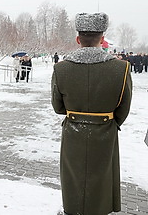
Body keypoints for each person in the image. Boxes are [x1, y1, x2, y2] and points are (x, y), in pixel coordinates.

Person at [51, 12, 132, 215]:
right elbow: (124, 107)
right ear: (102, 39)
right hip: (106, 132)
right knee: (102, 179)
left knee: (73, 179)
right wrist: (109, 122)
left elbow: (58, 107)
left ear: (78, 39)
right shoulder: (121, 69)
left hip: (73, 132)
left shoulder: (61, 69)